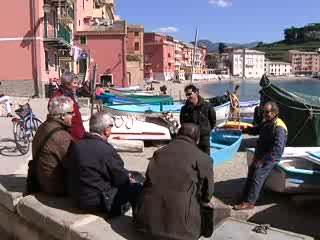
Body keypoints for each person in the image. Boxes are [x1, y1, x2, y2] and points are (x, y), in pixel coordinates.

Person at [134, 123, 214, 240]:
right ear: (197, 139)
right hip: (182, 233)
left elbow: (148, 180)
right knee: (205, 206)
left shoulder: (158, 153)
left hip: (144, 225)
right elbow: (208, 194)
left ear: (178, 134)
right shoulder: (203, 158)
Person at [67, 112, 143, 217]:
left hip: (78, 198)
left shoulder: (77, 145)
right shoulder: (106, 150)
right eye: (111, 126)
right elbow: (120, 179)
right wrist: (129, 179)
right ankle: (137, 220)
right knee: (136, 187)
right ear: (106, 130)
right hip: (97, 201)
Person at [234, 101, 287, 210]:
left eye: (266, 112)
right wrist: (246, 130)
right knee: (252, 172)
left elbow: (277, 149)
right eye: (263, 112)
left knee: (257, 175)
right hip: (261, 153)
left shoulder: (279, 127)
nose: (264, 114)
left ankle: (249, 202)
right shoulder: (267, 121)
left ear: (274, 112)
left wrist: (263, 161)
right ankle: (246, 197)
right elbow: (257, 130)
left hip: (270, 156)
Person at [31, 96, 74, 195]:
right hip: (55, 187)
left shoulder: (44, 126)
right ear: (63, 115)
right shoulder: (62, 136)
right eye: (71, 113)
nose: (74, 115)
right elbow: (73, 164)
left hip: (40, 181)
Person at [180, 84, 216, 155]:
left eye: (189, 94)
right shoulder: (184, 109)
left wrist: (205, 131)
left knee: (205, 160)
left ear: (196, 93)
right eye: (186, 95)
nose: (188, 96)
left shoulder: (207, 106)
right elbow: (182, 123)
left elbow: (213, 121)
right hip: (191, 140)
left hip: (204, 139)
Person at [53, 71, 85, 141]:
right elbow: (59, 120)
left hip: (77, 134)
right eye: (74, 83)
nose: (76, 85)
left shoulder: (69, 93)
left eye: (77, 83)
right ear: (67, 84)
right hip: (71, 137)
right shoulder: (59, 97)